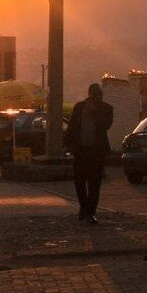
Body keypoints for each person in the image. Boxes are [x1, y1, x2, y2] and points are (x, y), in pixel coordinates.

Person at [64, 83, 113, 224]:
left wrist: (95, 112)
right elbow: (72, 126)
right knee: (79, 182)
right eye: (95, 94)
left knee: (94, 183)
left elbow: (106, 125)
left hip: (96, 152)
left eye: (99, 94)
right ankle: (84, 207)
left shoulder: (106, 108)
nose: (97, 96)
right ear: (90, 94)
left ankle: (91, 212)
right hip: (80, 151)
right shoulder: (79, 107)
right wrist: (67, 145)